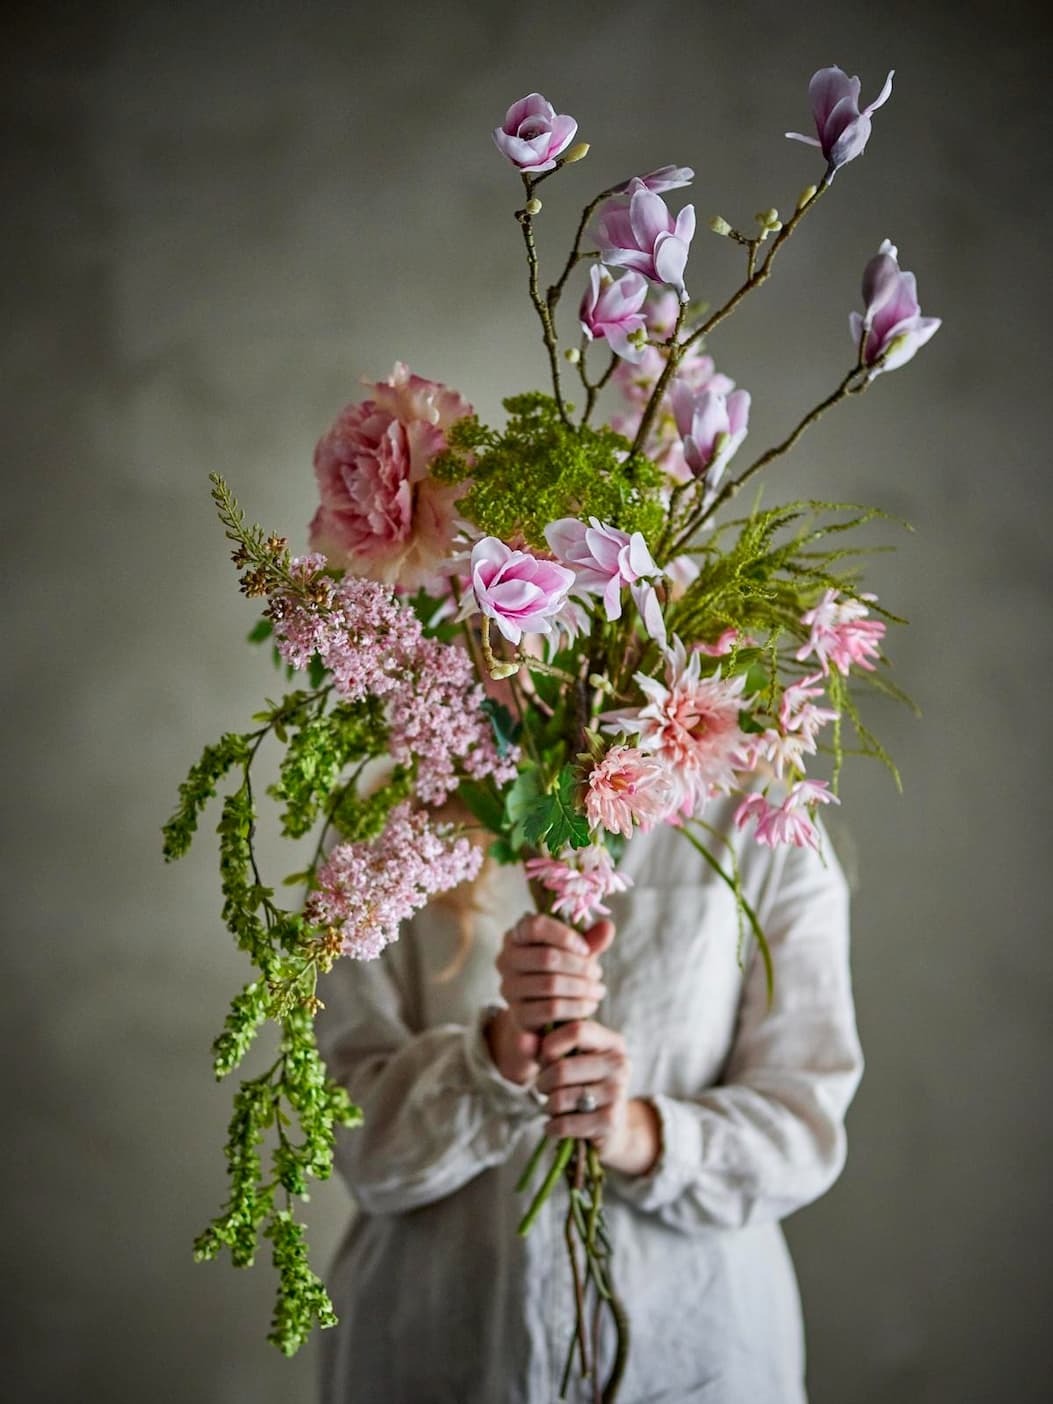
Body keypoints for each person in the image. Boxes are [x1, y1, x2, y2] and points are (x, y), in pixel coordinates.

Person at [315, 793, 863, 1403]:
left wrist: (636, 1134)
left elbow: (801, 1127)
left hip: (691, 1347)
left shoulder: (763, 822)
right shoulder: (386, 829)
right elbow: (353, 1139)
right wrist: (497, 1057)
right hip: (439, 1348)